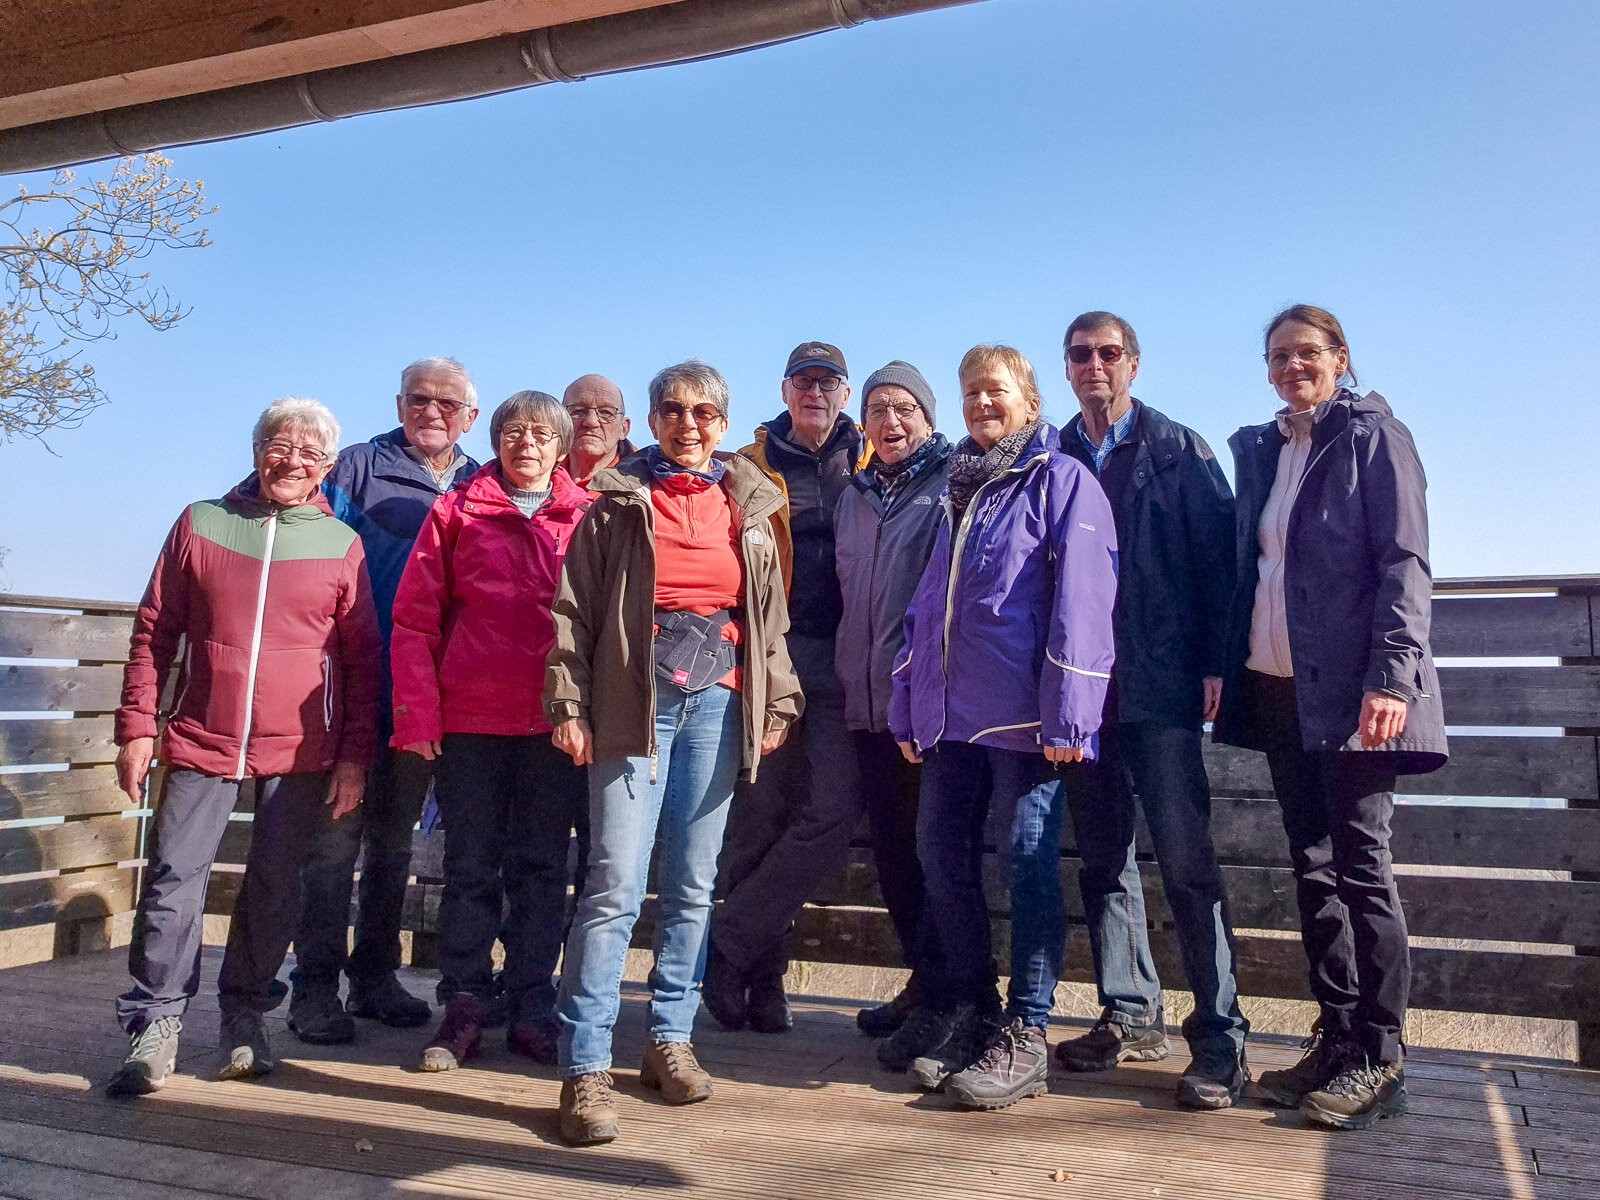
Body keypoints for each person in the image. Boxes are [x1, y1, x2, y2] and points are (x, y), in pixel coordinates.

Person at [546, 359, 802, 1145]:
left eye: (704, 412)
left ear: (724, 423)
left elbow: (769, 612)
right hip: (635, 702)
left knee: (694, 884)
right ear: (651, 421)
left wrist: (779, 696)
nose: (688, 424)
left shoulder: (751, 503)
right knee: (615, 882)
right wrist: (569, 703)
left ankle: (669, 1039)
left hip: (719, 705)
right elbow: (572, 612)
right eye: (672, 410)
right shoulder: (616, 503)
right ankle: (585, 1066)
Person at [1214, 304, 1447, 1131]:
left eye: (1306, 353)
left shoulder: (1375, 438)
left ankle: (1381, 1059)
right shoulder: (1271, 450)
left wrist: (1391, 680)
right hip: (1280, 690)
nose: (1290, 367)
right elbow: (1254, 570)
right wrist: (1222, 664)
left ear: (1340, 358)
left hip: (1355, 694)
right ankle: (1338, 1038)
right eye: (1277, 356)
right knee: (1313, 867)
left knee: (1361, 866)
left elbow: (1405, 562)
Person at [108, 398, 381, 1095]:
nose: (290, 462)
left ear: (325, 466)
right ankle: (156, 1023)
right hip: (201, 735)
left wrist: (354, 757)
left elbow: (361, 664)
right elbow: (153, 632)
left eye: (307, 453)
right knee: (173, 880)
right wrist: (138, 727)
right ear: (258, 449)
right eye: (278, 446)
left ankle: (245, 1015)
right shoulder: (201, 523)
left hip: (301, 749)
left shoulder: (338, 544)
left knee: (274, 887)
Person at [890, 344, 1117, 1112]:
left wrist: (1072, 715)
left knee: (1026, 862)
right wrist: (906, 703)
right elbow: (927, 610)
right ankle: (971, 1010)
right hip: (952, 718)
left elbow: (1083, 605)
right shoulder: (961, 488)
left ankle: (1027, 1031)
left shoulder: (1061, 482)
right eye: (970, 394)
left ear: (1027, 398)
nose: (981, 404)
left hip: (1027, 720)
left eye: (995, 392)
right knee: (938, 853)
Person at [1052, 312, 1250, 1108]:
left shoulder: (1179, 449)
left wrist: (1213, 663)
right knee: (1103, 861)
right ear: (1065, 368)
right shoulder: (1055, 453)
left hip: (1164, 684)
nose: (1094, 365)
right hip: (1081, 692)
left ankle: (1221, 1038)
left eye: (1108, 353)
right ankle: (1130, 1014)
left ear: (1132, 363)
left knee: (1186, 861)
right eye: (1079, 354)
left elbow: (1221, 562)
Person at [388, 391, 593, 1071]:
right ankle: (465, 1007)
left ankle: (535, 1007)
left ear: (562, 445)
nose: (525, 444)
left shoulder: (587, 520)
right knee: (469, 868)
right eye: (511, 432)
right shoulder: (456, 513)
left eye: (539, 433)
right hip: (471, 720)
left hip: (553, 724)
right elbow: (415, 620)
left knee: (542, 871)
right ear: (496, 441)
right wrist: (419, 716)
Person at [292, 357, 481, 1042]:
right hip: (350, 686)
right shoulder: (353, 468)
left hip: (423, 696)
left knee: (394, 844)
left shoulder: (477, 481)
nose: (431, 411)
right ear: (399, 403)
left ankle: (374, 976)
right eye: (418, 399)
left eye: (446, 402)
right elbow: (295, 536)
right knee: (334, 842)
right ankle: (312, 986)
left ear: (471, 416)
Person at [704, 340, 865, 1034]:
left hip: (850, 659)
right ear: (786, 389)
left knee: (831, 810)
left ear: (845, 394)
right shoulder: (749, 465)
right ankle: (760, 986)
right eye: (805, 382)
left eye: (828, 383)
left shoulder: (870, 458)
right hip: (773, 653)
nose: (816, 394)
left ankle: (726, 946)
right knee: (761, 817)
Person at [830, 361, 952, 1055]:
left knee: (937, 855)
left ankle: (947, 996)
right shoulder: (855, 497)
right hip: (866, 705)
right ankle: (923, 980)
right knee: (896, 857)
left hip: (928, 710)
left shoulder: (952, 486)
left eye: (905, 408)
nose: (891, 421)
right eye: (878, 410)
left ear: (928, 418)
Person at [563, 374, 638, 488]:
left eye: (606, 412)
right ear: (559, 421)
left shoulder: (647, 487)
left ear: (624, 428)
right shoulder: (535, 478)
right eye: (578, 411)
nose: (591, 422)